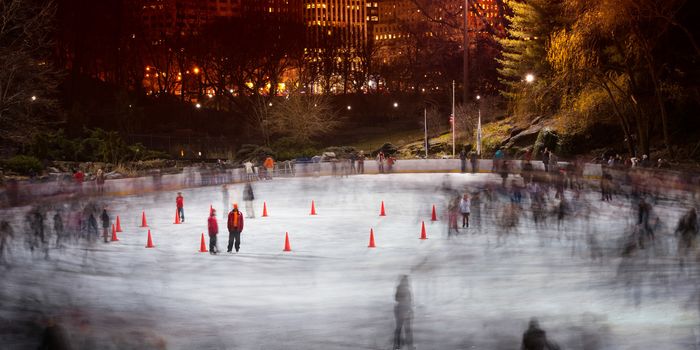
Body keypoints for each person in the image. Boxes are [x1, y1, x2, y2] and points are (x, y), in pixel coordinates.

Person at [393, 275, 414, 350]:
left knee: (405, 329)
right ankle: (398, 346)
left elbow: (410, 300)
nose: (407, 281)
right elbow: (397, 299)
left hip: (403, 310)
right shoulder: (401, 289)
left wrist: (410, 311)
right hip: (401, 310)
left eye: (407, 280)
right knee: (402, 328)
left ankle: (402, 346)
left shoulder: (406, 289)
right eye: (406, 280)